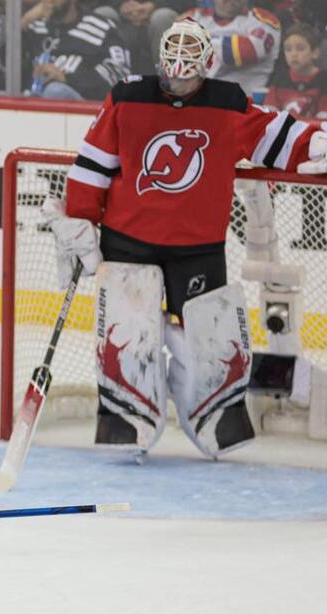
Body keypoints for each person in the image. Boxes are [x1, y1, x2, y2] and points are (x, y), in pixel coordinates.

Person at [47, 18, 327, 459]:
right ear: (161, 61)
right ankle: (126, 422)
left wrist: (316, 145)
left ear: (207, 66)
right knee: (127, 337)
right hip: (128, 240)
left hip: (197, 247)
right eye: (172, 72)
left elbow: (276, 136)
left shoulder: (228, 104)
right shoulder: (126, 96)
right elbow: (92, 165)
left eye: (188, 74)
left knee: (210, 343)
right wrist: (79, 222)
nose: (178, 83)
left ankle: (216, 421)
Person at [22, 0, 132, 100]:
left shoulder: (101, 27)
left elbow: (120, 74)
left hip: (81, 108)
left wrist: (67, 78)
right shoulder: (33, 24)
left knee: (55, 92)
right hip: (31, 100)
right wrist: (25, 21)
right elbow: (6, 69)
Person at [189, 0, 281, 97]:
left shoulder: (261, 20)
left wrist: (195, 46)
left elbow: (247, 50)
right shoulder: (196, 16)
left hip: (244, 100)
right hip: (200, 97)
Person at [263, 23, 327, 119]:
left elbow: (323, 119)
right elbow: (269, 114)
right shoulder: (280, 78)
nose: (293, 54)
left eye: (300, 49)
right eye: (288, 49)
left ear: (315, 53)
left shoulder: (323, 80)